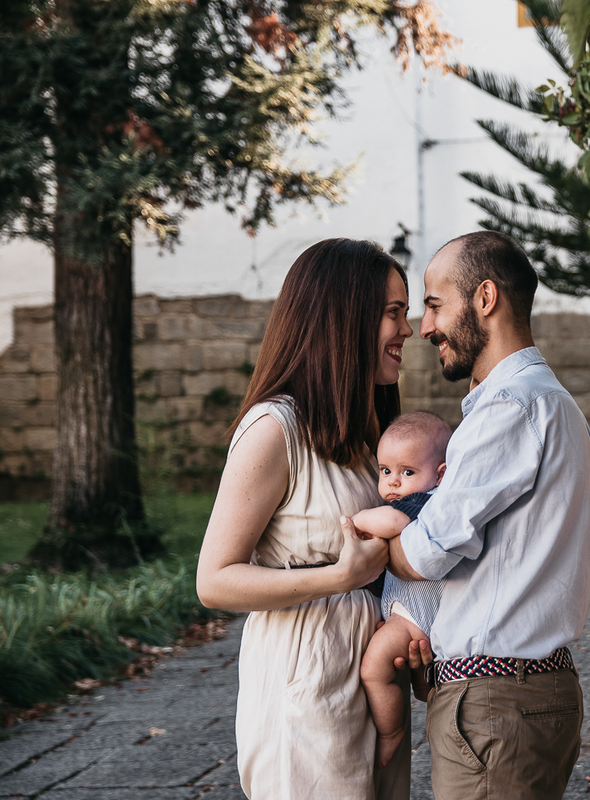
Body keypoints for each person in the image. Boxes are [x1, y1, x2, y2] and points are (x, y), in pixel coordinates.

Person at [345, 230, 590, 800]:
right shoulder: (548, 402)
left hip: (496, 704)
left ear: (485, 298)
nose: (425, 327)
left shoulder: (509, 407)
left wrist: (382, 533)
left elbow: (425, 554)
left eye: (435, 305)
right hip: (521, 694)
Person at [196, 238, 423, 800]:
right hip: (307, 683)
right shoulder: (274, 429)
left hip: (373, 680)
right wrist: (339, 577)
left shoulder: (370, 435)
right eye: (393, 312)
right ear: (346, 319)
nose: (408, 329)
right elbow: (214, 580)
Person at [352, 412, 451, 770]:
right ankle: (426, 695)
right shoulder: (435, 503)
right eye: (385, 471)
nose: (393, 481)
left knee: (373, 670)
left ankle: (391, 731)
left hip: (413, 618)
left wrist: (357, 520)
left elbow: (394, 522)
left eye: (407, 472)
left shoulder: (423, 502)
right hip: (418, 615)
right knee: (420, 676)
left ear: (440, 474)